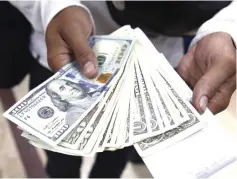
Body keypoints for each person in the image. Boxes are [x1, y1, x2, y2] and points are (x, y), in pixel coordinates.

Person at [9, 1, 236, 178]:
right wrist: (55, 7)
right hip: (65, 52)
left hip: (155, 62)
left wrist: (227, 28)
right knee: (61, 157)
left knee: (117, 153)